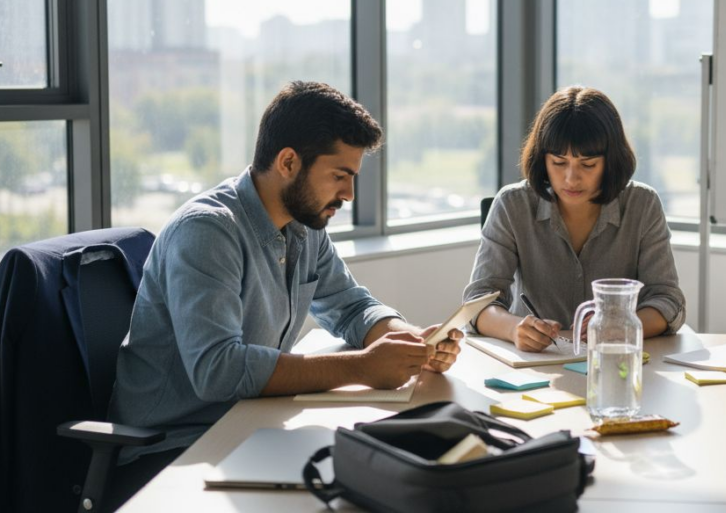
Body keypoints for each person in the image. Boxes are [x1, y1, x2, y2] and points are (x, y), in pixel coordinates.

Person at [107, 81, 462, 503]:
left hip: (255, 423)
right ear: (289, 162)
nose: (349, 195)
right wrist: (362, 367)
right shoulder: (207, 231)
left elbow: (351, 306)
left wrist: (407, 341)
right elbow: (217, 371)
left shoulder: (303, 224)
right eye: (339, 176)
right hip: (174, 449)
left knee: (387, 478)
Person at [463, 86, 685, 352]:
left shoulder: (642, 204)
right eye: (558, 162)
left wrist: (620, 327)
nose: (571, 178)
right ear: (542, 160)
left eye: (588, 164)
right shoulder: (512, 205)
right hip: (537, 364)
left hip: (616, 359)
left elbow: (667, 300)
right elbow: (477, 302)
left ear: (611, 161)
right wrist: (514, 329)